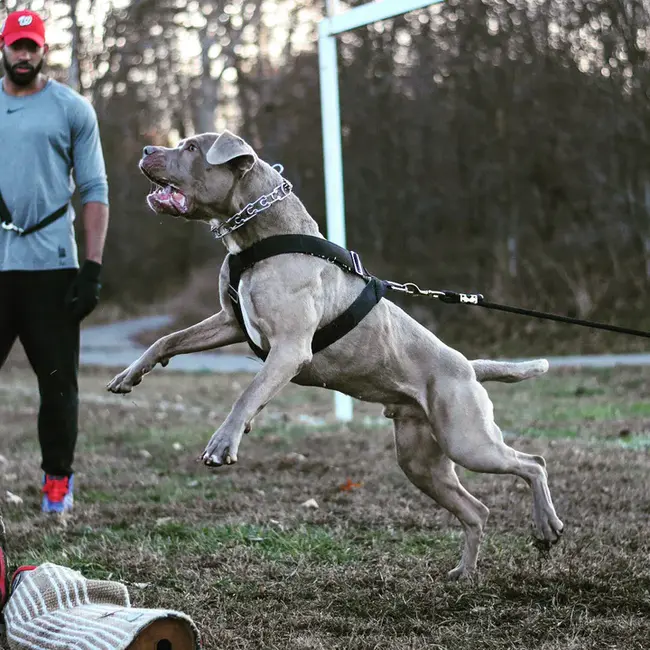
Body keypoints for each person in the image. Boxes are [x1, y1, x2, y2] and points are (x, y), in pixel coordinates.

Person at [0, 9, 109, 514]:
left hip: (52, 266)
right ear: (3, 48)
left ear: (43, 50)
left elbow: (93, 189)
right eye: (15, 46)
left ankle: (57, 486)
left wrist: (92, 268)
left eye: (31, 47)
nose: (23, 55)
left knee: (57, 384)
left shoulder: (71, 109)